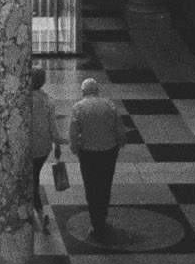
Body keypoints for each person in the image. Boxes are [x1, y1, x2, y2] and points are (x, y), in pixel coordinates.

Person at [67, 74, 125, 242]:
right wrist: (120, 143)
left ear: (83, 91)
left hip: (88, 153)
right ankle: (103, 218)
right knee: (105, 185)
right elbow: (119, 128)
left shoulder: (78, 107)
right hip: (108, 151)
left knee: (91, 186)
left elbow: (73, 132)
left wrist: (75, 148)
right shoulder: (109, 105)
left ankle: (95, 222)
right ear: (97, 91)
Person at [30, 65, 63, 232]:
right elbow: (53, 128)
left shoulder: (23, 99)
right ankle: (38, 210)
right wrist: (57, 145)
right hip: (43, 148)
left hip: (27, 146)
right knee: (34, 177)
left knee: (32, 179)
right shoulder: (48, 100)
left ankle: (39, 212)